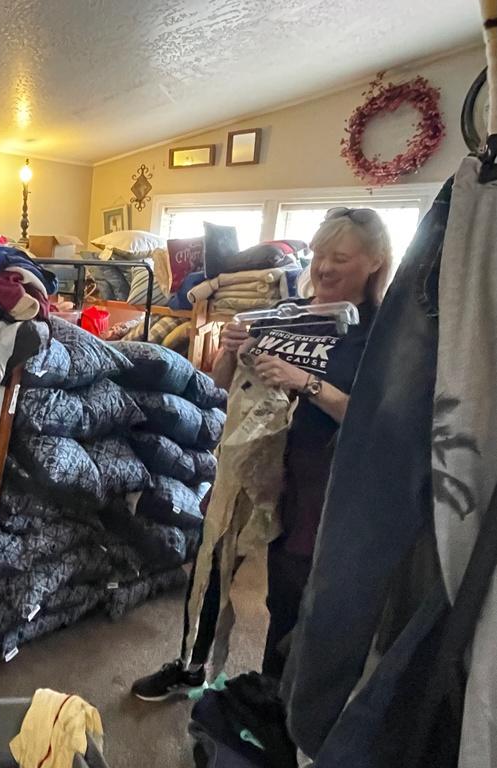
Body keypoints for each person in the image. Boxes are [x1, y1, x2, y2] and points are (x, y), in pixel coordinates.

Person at [131, 207, 391, 700]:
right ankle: (190, 665)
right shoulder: (286, 313)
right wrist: (230, 350)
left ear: (375, 261)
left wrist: (305, 381)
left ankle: (275, 698)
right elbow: (221, 384)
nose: (324, 267)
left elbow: (372, 420)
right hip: (249, 461)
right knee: (212, 562)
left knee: (289, 591)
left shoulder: (378, 333)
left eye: (340, 258)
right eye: (320, 255)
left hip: (316, 476)